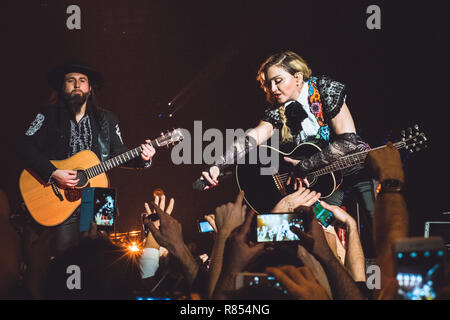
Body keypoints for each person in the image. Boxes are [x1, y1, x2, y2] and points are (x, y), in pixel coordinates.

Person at [198, 51, 375, 258]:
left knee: (374, 222)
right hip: (321, 182)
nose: (273, 89)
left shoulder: (326, 88)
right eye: (268, 84)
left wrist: (304, 166)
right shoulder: (277, 110)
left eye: (278, 81)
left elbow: (348, 141)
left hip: (353, 166)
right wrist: (218, 165)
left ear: (298, 77)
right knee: (317, 233)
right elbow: (253, 136)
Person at [19, 60, 156, 256]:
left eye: (82, 80)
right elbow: (25, 146)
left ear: (90, 88)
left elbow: (119, 153)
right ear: (62, 86)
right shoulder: (47, 115)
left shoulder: (108, 119)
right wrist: (53, 173)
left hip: (100, 198)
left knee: (99, 255)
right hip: (59, 196)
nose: (77, 84)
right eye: (71, 80)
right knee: (65, 254)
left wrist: (143, 158)